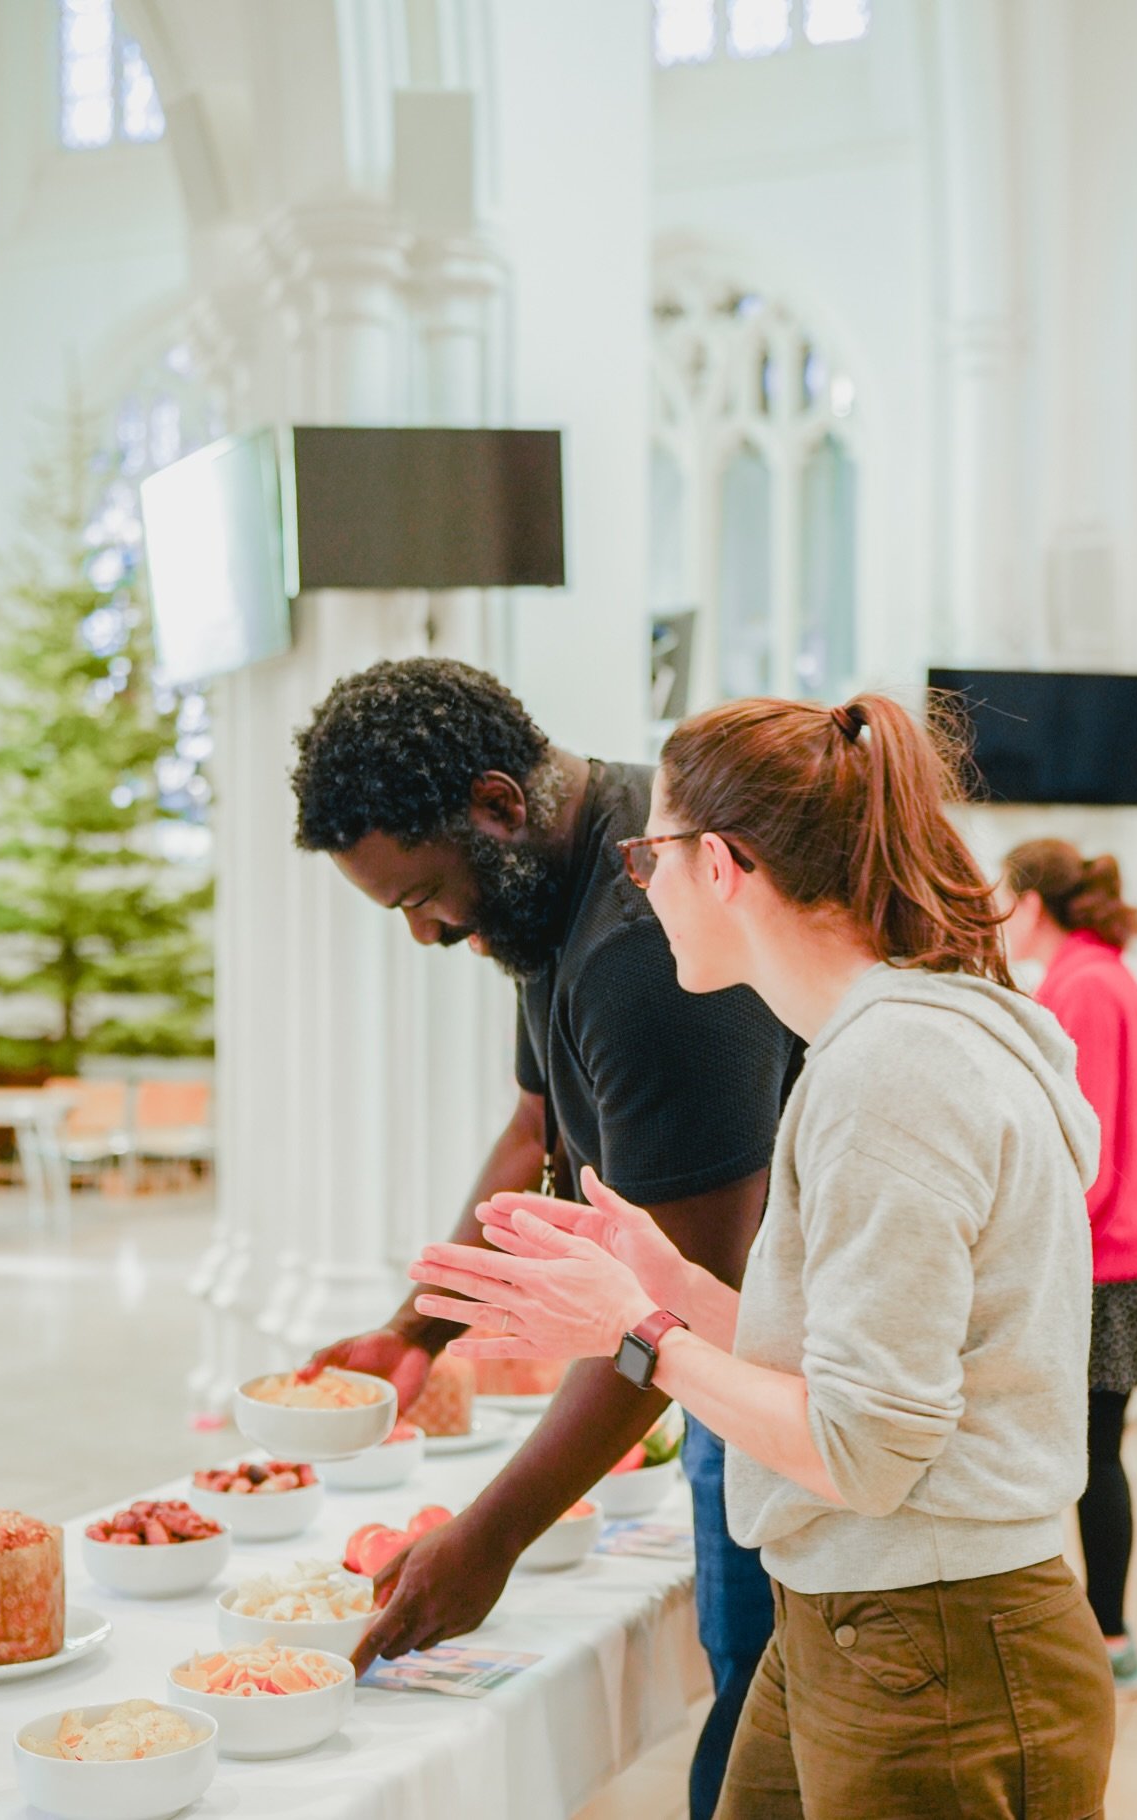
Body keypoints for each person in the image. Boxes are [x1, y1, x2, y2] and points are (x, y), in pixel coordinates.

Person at [410, 695, 1116, 1819]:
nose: (638, 881)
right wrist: (672, 1285)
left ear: (725, 864)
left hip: (941, 1641)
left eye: (652, 853)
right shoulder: (872, 1048)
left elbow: (865, 1449)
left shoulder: (895, 1072)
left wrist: (642, 1335)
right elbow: (839, 1366)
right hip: (854, 1609)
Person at [290, 657, 800, 1815]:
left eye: (423, 896)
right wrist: (414, 1328)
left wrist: (490, 1538)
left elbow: (676, 1300)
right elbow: (538, 1125)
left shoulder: (642, 947)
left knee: (769, 1703)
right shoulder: (550, 879)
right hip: (722, 1355)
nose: (425, 932)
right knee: (750, 1681)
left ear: (498, 804)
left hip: (781, 1374)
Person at [1002, 837, 1137, 1691]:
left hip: (1105, 1262)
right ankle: (1105, 1634)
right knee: (1093, 1450)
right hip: (1119, 1254)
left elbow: (1083, 1149)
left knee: (1091, 1455)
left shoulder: (1083, 984)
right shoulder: (1098, 973)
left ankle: (1107, 1637)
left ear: (1032, 903)